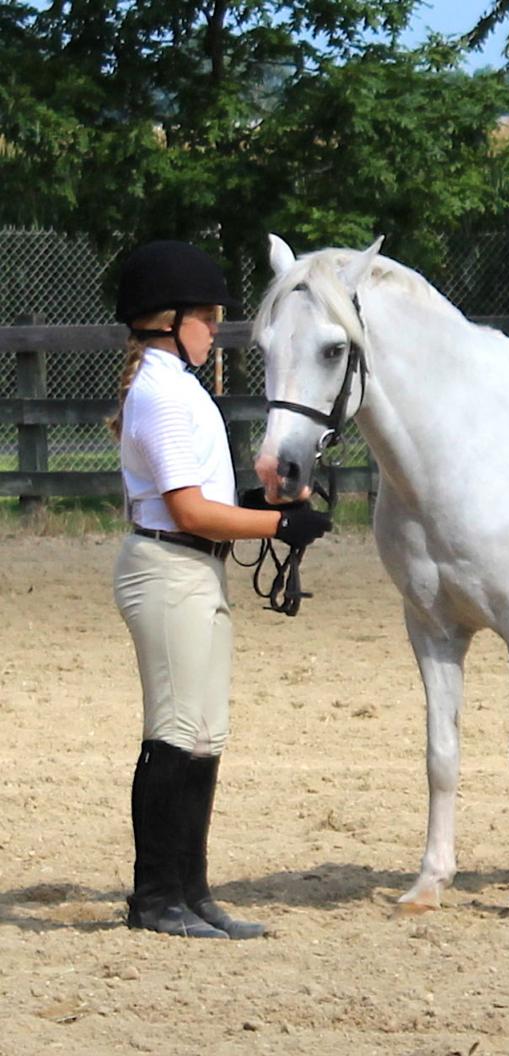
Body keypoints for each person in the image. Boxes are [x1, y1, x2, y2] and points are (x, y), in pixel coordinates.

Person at [110, 240, 333, 939]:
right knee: (174, 733)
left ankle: (192, 892)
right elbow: (186, 512)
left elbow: (206, 498)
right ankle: (155, 899)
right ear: (169, 320)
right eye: (206, 317)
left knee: (204, 735)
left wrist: (262, 507)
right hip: (170, 566)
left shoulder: (180, 388)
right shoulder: (160, 394)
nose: (215, 329)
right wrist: (277, 526)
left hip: (195, 567)